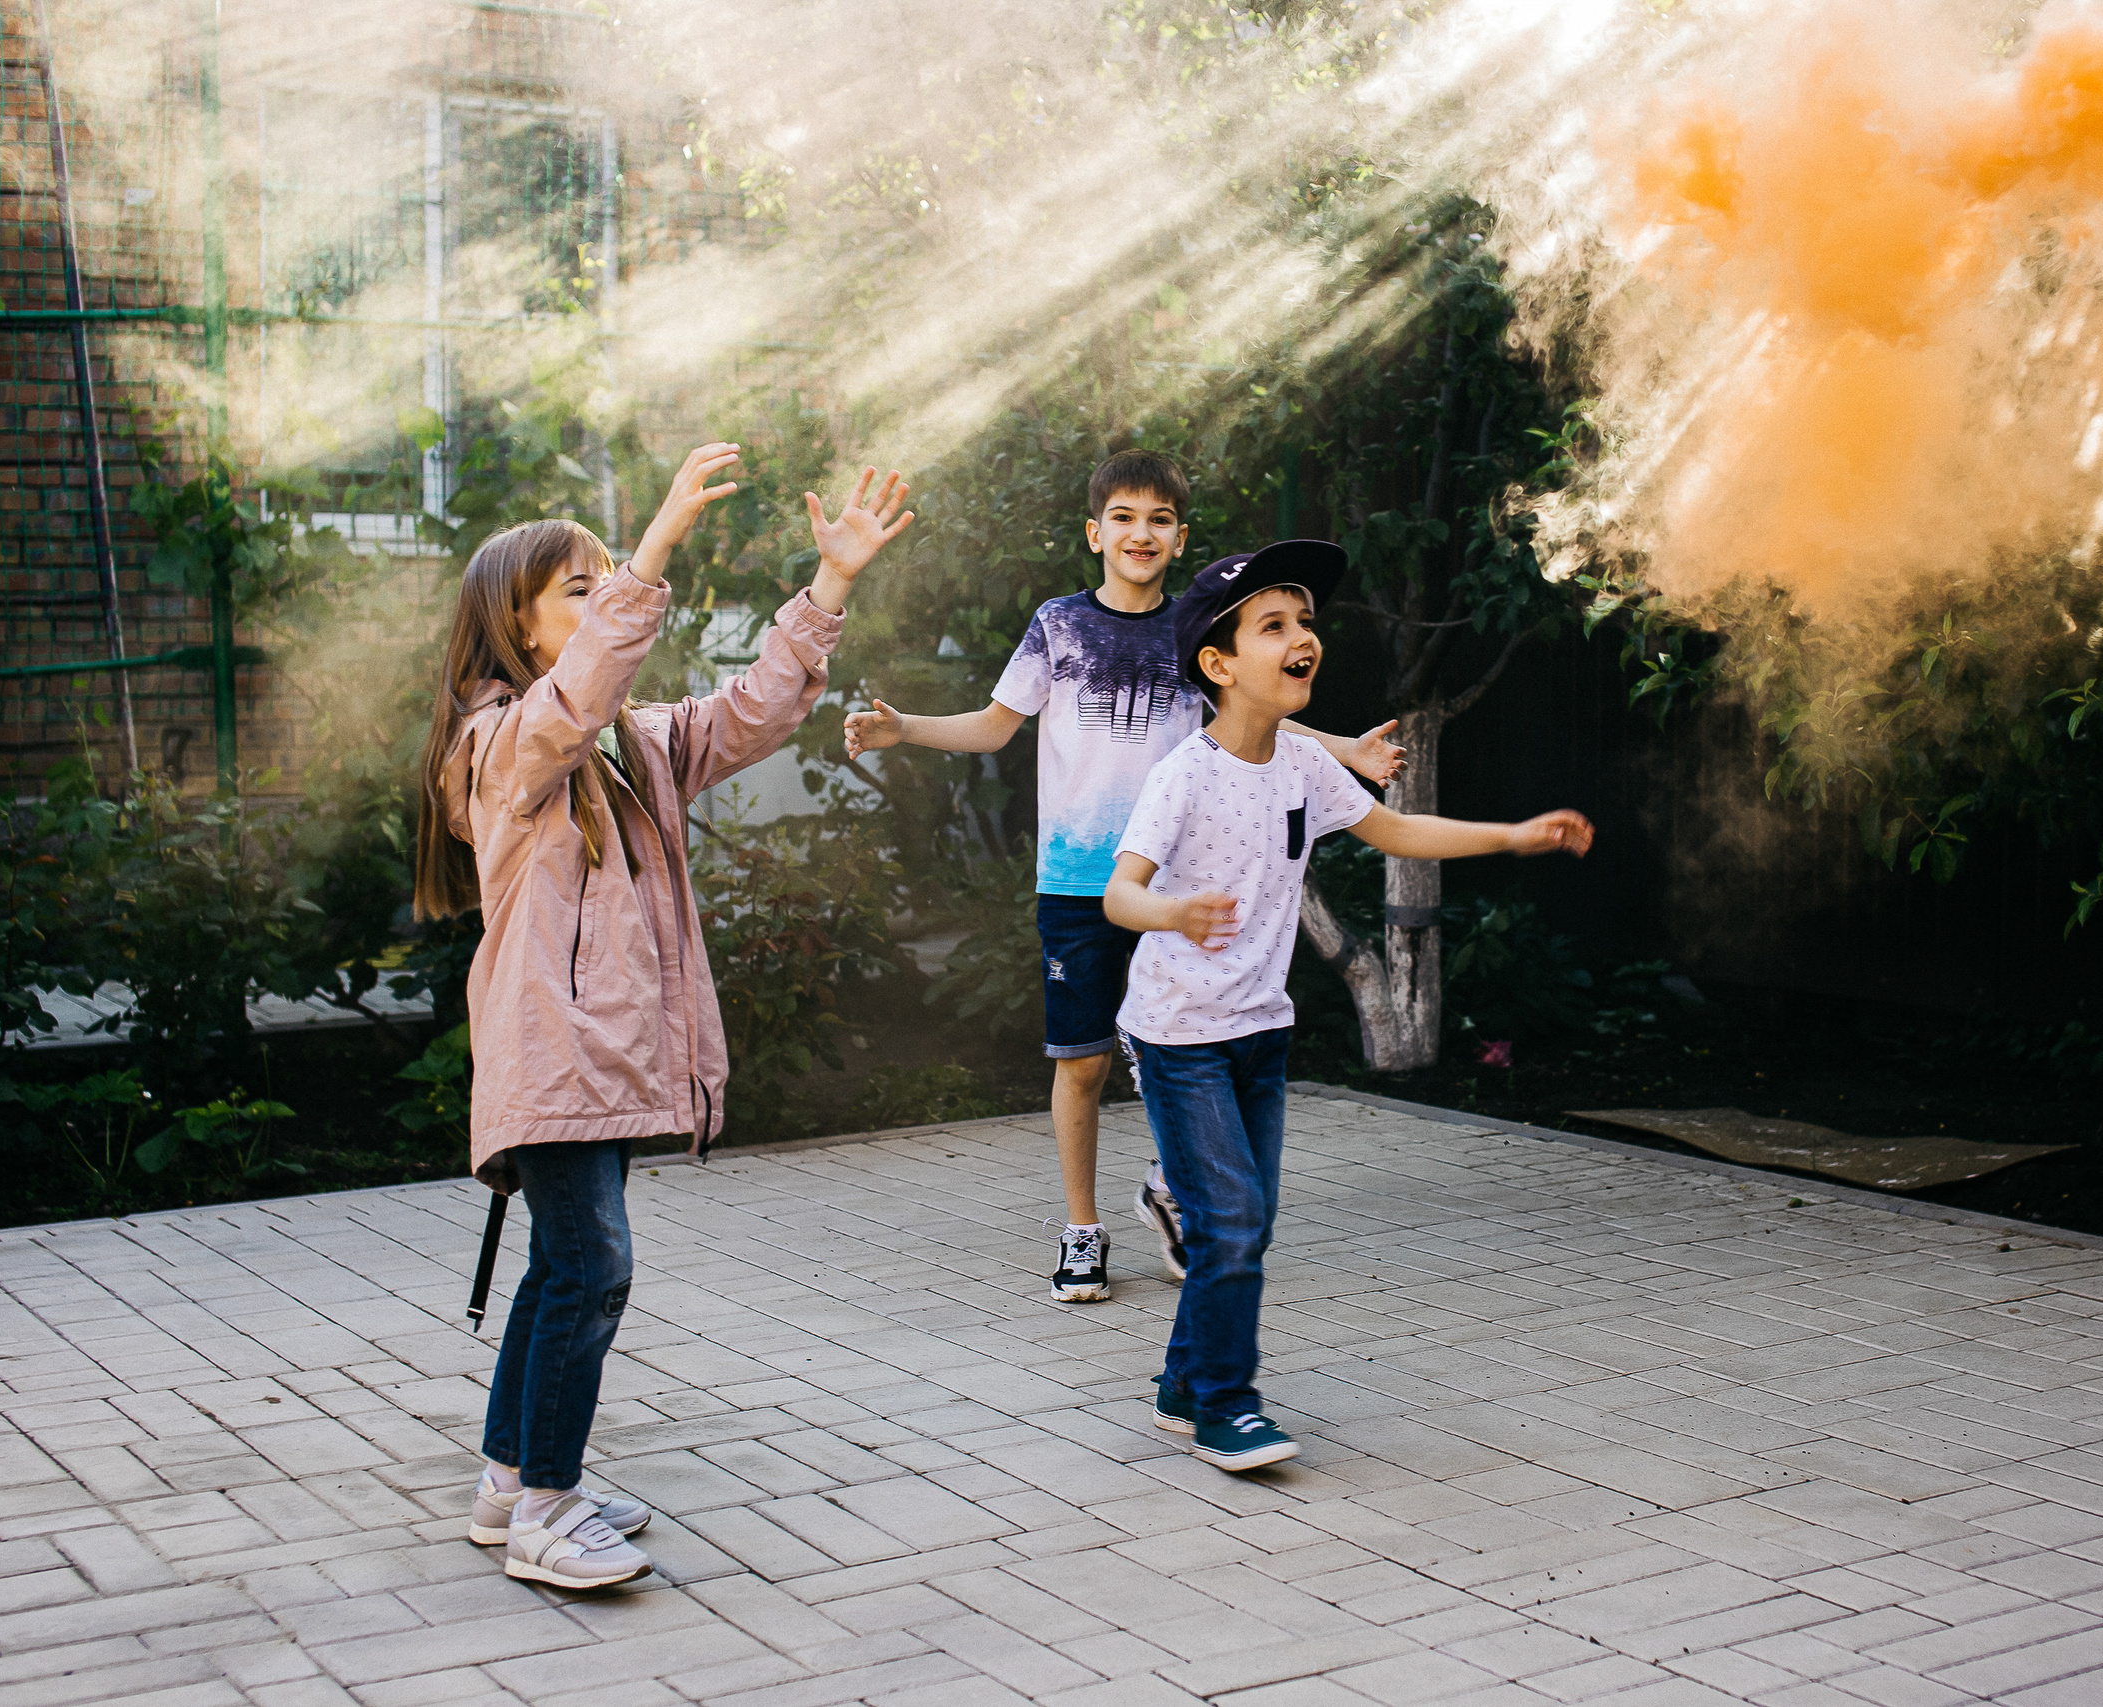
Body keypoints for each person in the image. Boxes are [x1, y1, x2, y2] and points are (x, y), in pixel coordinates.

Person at [413, 446, 914, 1588]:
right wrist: (650, 554)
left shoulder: (633, 742)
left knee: (561, 1266)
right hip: (553, 1053)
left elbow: (753, 709)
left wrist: (830, 584)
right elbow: (567, 708)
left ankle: (509, 1485)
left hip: (604, 1058)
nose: (606, 605)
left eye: (609, 587)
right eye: (579, 591)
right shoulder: (496, 749)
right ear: (517, 626)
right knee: (593, 1268)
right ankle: (548, 1512)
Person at [841, 451, 1402, 1303]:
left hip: (1176, 893)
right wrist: (904, 729)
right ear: (1095, 533)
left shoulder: (1196, 632)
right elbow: (994, 726)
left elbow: (1254, 714)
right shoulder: (1058, 624)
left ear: (1180, 537)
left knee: (1195, 1052)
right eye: (1126, 517)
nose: (1143, 533)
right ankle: (1081, 1228)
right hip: (1078, 884)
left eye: (1160, 519)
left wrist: (1347, 749)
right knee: (1085, 1063)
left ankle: (1173, 1191)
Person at [1103, 539, 1593, 1471]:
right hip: (1179, 1035)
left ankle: (1184, 1383)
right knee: (1230, 1223)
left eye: (1305, 622)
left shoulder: (1301, 763)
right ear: (1218, 664)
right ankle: (1228, 1405)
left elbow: (1395, 827)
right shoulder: (1185, 774)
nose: (1303, 638)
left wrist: (1512, 835)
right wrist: (1174, 910)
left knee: (1245, 1224)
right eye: (1273, 625)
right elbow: (1119, 895)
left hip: (1259, 1028)